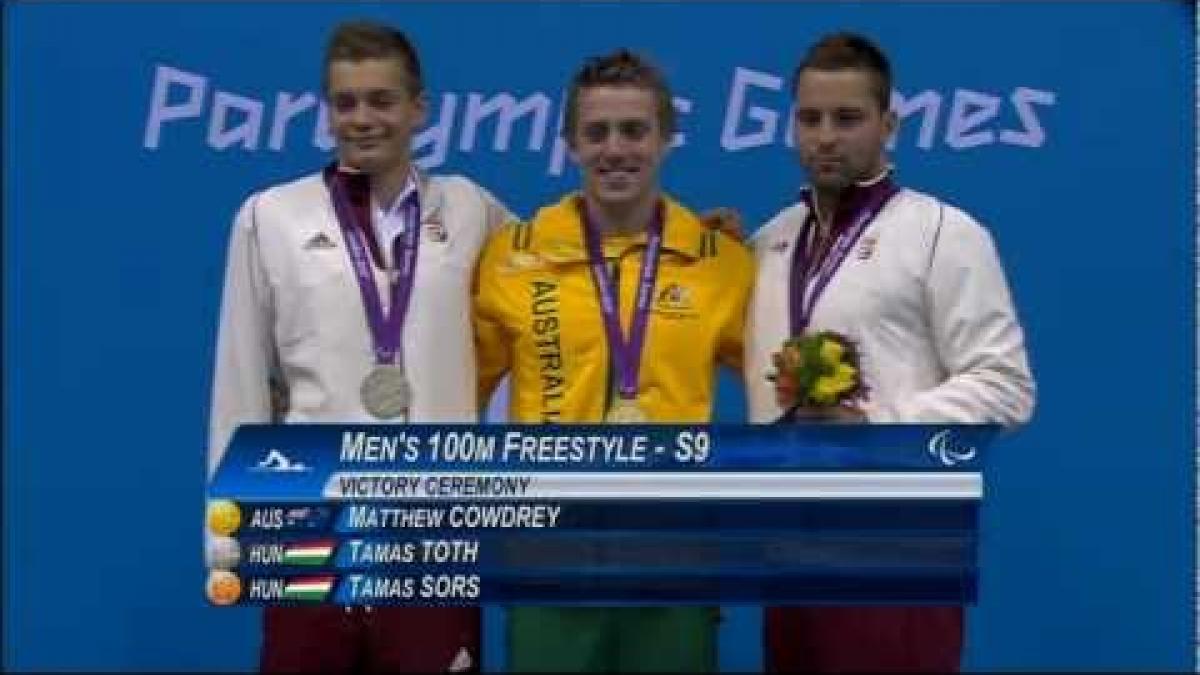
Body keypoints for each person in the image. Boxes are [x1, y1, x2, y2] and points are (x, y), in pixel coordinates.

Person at [207, 20, 514, 673]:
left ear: (419, 110)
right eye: (346, 103)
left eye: (382, 100)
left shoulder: (471, 209)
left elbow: (568, 271)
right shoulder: (270, 217)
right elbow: (239, 382)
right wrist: (230, 536)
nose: (363, 118)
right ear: (327, 111)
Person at [743, 32, 1036, 672]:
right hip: (790, 551)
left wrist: (876, 426)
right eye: (810, 118)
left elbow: (1007, 387)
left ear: (889, 125)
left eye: (847, 119)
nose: (825, 136)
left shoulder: (945, 234)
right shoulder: (769, 243)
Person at [472, 49, 754, 672]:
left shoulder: (721, 263)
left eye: (634, 130)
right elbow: (451, 392)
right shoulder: (510, 259)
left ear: (666, 139)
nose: (615, 149)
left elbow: (780, 389)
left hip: (673, 560)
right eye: (596, 132)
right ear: (570, 143)